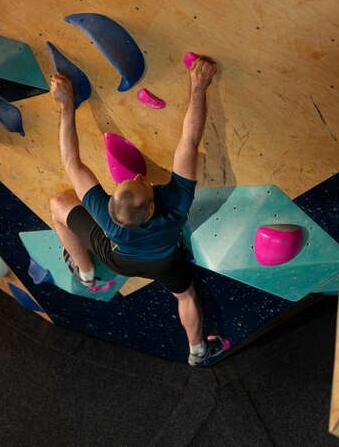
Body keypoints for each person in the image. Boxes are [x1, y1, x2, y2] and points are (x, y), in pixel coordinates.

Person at [49, 57, 228, 366]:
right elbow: (189, 141)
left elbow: (71, 162)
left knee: (58, 205)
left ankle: (86, 272)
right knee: (185, 296)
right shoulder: (176, 203)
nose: (138, 177)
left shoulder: (105, 217)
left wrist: (66, 106)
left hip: (120, 260)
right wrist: (198, 86)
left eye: (137, 180)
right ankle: (197, 350)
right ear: (151, 206)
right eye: (141, 181)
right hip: (165, 262)